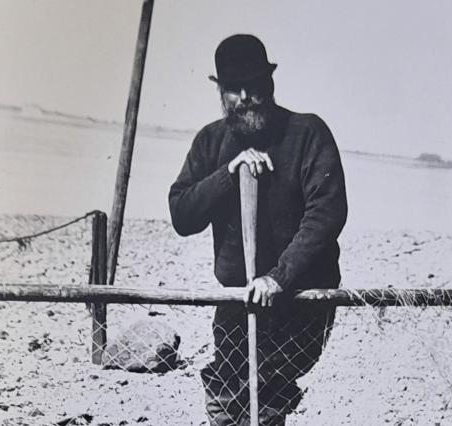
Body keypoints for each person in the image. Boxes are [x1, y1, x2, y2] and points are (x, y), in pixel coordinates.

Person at [169, 34, 347, 426]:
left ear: (271, 82)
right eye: (235, 88)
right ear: (221, 90)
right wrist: (226, 176)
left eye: (255, 84)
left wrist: (278, 278)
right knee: (226, 392)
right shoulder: (211, 141)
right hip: (237, 297)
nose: (247, 96)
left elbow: (327, 213)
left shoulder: (306, 134)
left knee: (268, 392)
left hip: (300, 296)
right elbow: (182, 215)